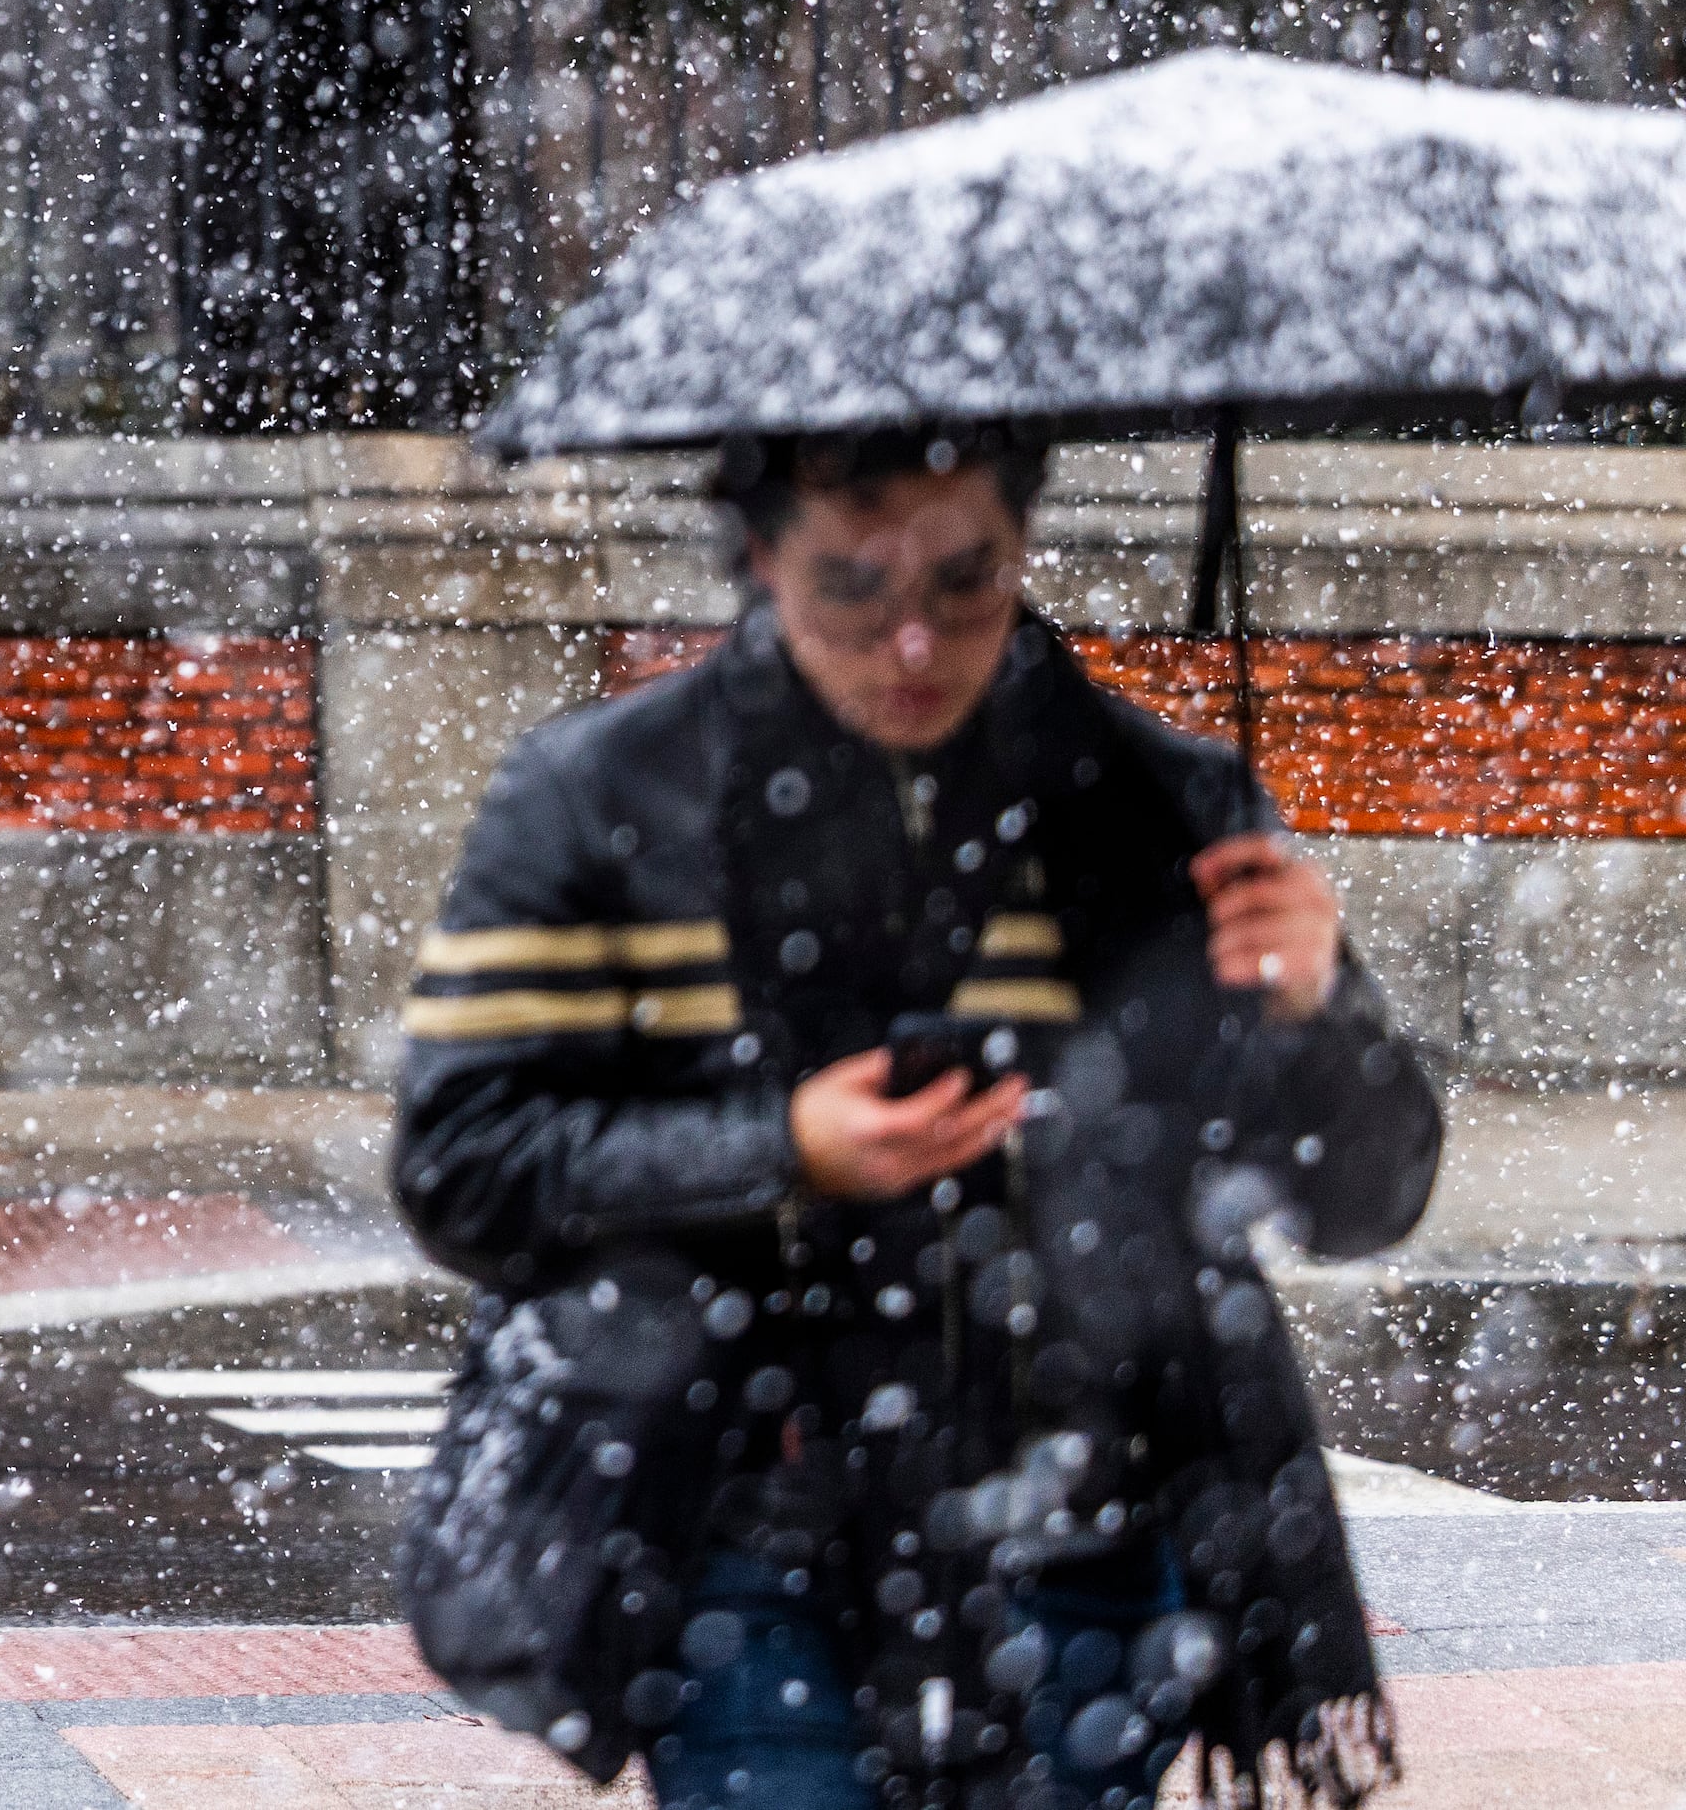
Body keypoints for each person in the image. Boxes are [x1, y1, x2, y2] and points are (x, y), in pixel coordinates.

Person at [390, 423, 1438, 1809]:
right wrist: (782, 1151)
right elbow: (465, 1162)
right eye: (851, 585)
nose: (914, 642)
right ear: (761, 556)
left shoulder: (1157, 809)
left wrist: (1316, 1013)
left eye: (965, 580)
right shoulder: (605, 801)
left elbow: (1366, 1191)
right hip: (750, 1536)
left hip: (1092, 1533)